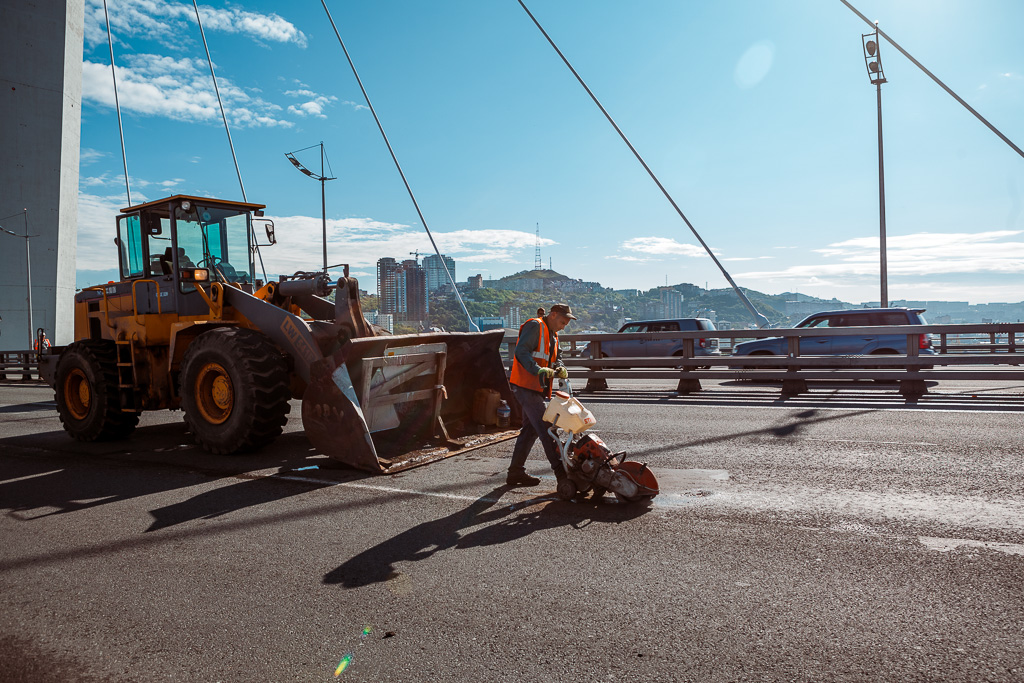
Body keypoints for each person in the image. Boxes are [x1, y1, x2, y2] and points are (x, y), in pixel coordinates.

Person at [506, 303, 577, 486]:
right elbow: (521, 351)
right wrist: (537, 370)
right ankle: (562, 475)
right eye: (562, 322)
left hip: (535, 387)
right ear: (553, 315)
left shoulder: (553, 333)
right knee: (547, 429)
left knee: (530, 431)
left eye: (565, 325)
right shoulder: (535, 326)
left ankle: (515, 473)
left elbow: (556, 355)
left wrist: (560, 366)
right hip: (526, 385)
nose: (563, 327)